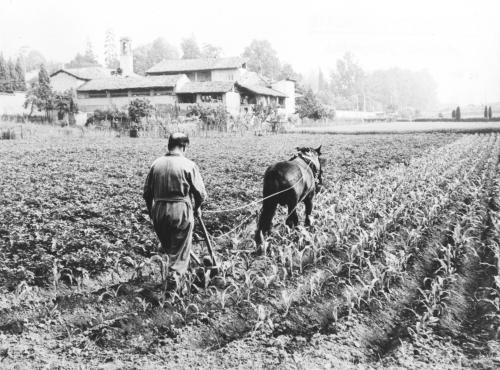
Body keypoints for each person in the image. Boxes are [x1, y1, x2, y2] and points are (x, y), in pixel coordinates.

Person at [143, 133, 207, 275]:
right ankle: (174, 290)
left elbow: (147, 194)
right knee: (178, 256)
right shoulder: (188, 165)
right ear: (184, 147)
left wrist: (151, 213)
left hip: (159, 211)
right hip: (180, 211)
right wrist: (197, 208)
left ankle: (169, 279)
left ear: (169, 145)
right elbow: (201, 195)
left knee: (169, 250)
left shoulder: (156, 164)